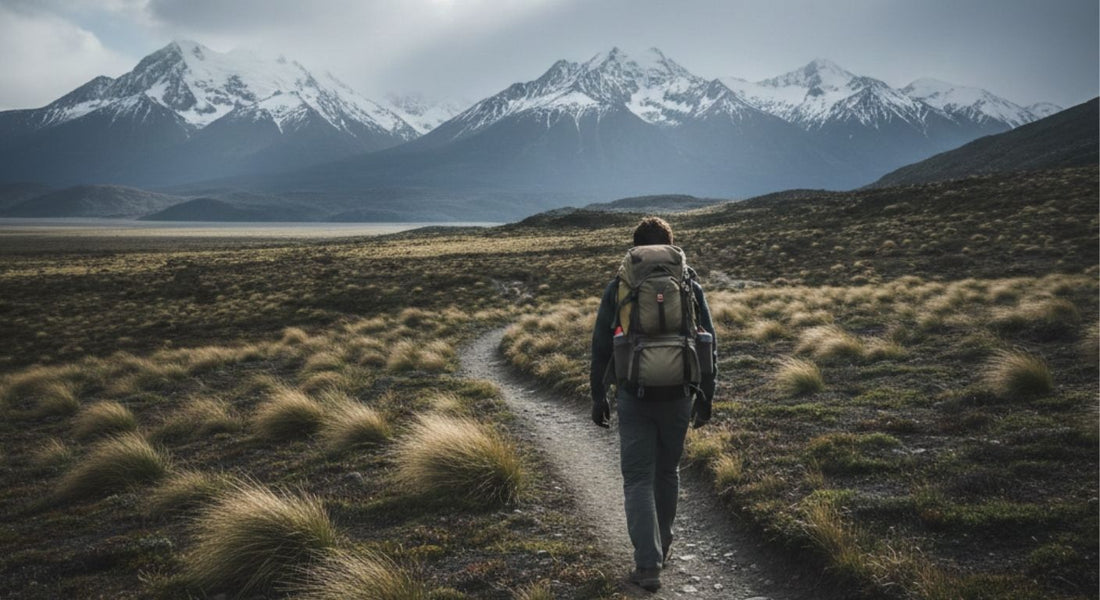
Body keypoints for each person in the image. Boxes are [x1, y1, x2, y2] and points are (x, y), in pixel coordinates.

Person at [589, 216, 717, 592]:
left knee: (639, 478)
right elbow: (707, 341)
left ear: (634, 249)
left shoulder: (621, 285)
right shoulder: (688, 283)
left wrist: (598, 395)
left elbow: (600, 347)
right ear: (670, 244)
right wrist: (706, 394)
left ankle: (648, 565)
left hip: (634, 393)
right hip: (679, 392)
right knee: (667, 472)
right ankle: (663, 544)